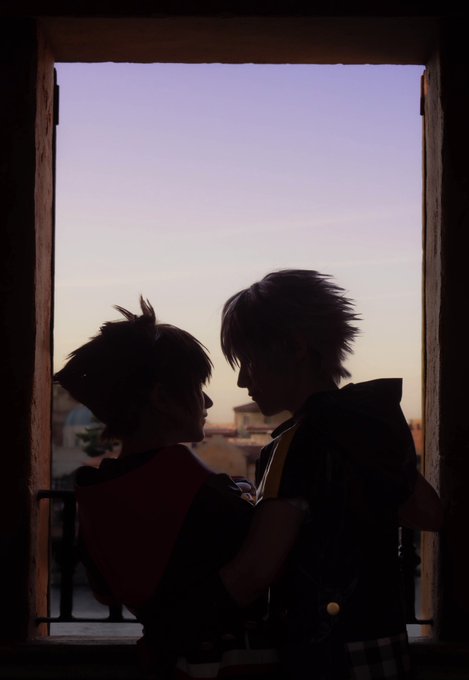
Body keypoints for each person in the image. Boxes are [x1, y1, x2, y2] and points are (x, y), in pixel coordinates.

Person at [217, 269, 442, 680]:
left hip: (323, 658)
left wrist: (172, 625)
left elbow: (253, 573)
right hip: (383, 646)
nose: (243, 379)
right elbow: (428, 512)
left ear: (295, 347)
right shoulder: (370, 426)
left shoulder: (295, 443)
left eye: (249, 361)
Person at [54, 298, 279, 679]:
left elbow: (104, 592)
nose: (208, 401)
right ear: (160, 399)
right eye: (197, 388)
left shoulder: (98, 492)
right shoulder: (204, 497)